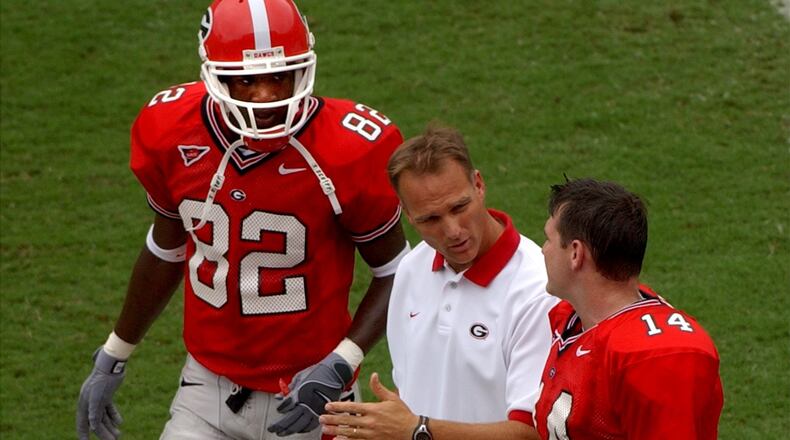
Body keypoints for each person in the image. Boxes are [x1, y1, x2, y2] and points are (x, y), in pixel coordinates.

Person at [76, 1, 410, 439]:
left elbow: (395, 270)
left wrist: (340, 362)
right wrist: (115, 352)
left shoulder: (350, 146)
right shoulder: (169, 128)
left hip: (314, 394)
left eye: (279, 74)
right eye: (246, 79)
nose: (265, 94)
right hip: (206, 389)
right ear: (213, 73)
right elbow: (167, 246)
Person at [320, 125, 557, 440]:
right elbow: (415, 395)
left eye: (459, 207)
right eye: (430, 219)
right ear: (408, 216)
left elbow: (531, 431)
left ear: (479, 184)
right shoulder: (411, 270)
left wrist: (417, 430)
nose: (453, 230)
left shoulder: (539, 289)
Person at [533, 178, 723, 439]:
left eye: (549, 239)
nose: (543, 250)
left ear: (576, 253)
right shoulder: (572, 318)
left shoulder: (655, 355)